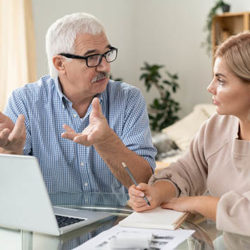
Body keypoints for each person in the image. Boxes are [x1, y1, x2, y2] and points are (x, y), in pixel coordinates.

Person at [0, 13, 156, 193]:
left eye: (106, 54)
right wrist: (11, 152)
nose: (105, 66)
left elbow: (145, 181)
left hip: (115, 219)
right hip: (49, 220)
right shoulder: (24, 102)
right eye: (92, 58)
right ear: (60, 64)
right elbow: (9, 189)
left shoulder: (128, 99)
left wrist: (107, 142)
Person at [128, 32, 250, 237]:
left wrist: (196, 202)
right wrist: (157, 192)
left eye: (221, 80)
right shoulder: (215, 127)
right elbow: (185, 171)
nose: (210, 88)